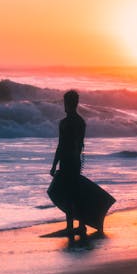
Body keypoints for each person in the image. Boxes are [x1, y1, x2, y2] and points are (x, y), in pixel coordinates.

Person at [50, 90, 87, 243]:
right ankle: (81, 225)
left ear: (70, 104)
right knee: (75, 194)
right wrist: (76, 159)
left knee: (69, 195)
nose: (65, 106)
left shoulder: (65, 123)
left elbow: (61, 145)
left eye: (66, 102)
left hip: (67, 162)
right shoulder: (81, 122)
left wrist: (54, 165)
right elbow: (80, 145)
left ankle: (70, 226)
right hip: (75, 161)